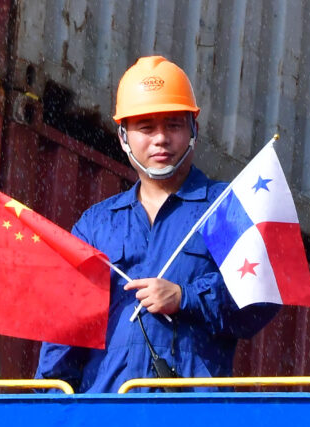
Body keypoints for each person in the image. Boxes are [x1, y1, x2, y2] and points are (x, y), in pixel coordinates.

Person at [36, 56, 279, 393]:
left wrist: (186, 297)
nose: (160, 139)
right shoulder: (98, 224)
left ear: (194, 129)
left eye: (173, 125)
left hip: (190, 420)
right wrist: (49, 406)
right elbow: (66, 327)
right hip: (108, 417)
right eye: (146, 127)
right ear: (123, 136)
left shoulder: (222, 210)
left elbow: (259, 301)